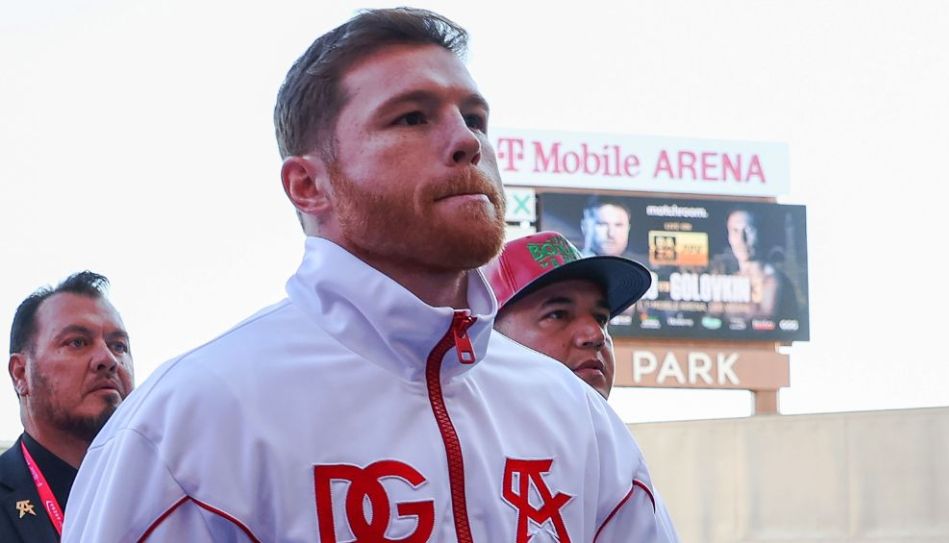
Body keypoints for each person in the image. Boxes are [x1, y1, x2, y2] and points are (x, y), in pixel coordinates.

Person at [64, 8, 679, 542]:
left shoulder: (577, 419)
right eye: (412, 117)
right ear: (309, 185)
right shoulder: (186, 424)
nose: (466, 141)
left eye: (476, 119)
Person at [1, 272, 133, 542]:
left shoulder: (168, 493)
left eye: (118, 346)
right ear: (20, 374)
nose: (108, 359)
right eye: (77, 342)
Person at [484, 231, 651, 399]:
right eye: (558, 314)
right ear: (487, 339)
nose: (596, 335)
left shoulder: (610, 425)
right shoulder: (467, 423)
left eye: (601, 318)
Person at [715, 208, 797, 319]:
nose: (741, 239)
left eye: (748, 230)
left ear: (760, 233)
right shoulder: (729, 281)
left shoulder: (773, 280)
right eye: (735, 231)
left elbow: (765, 322)